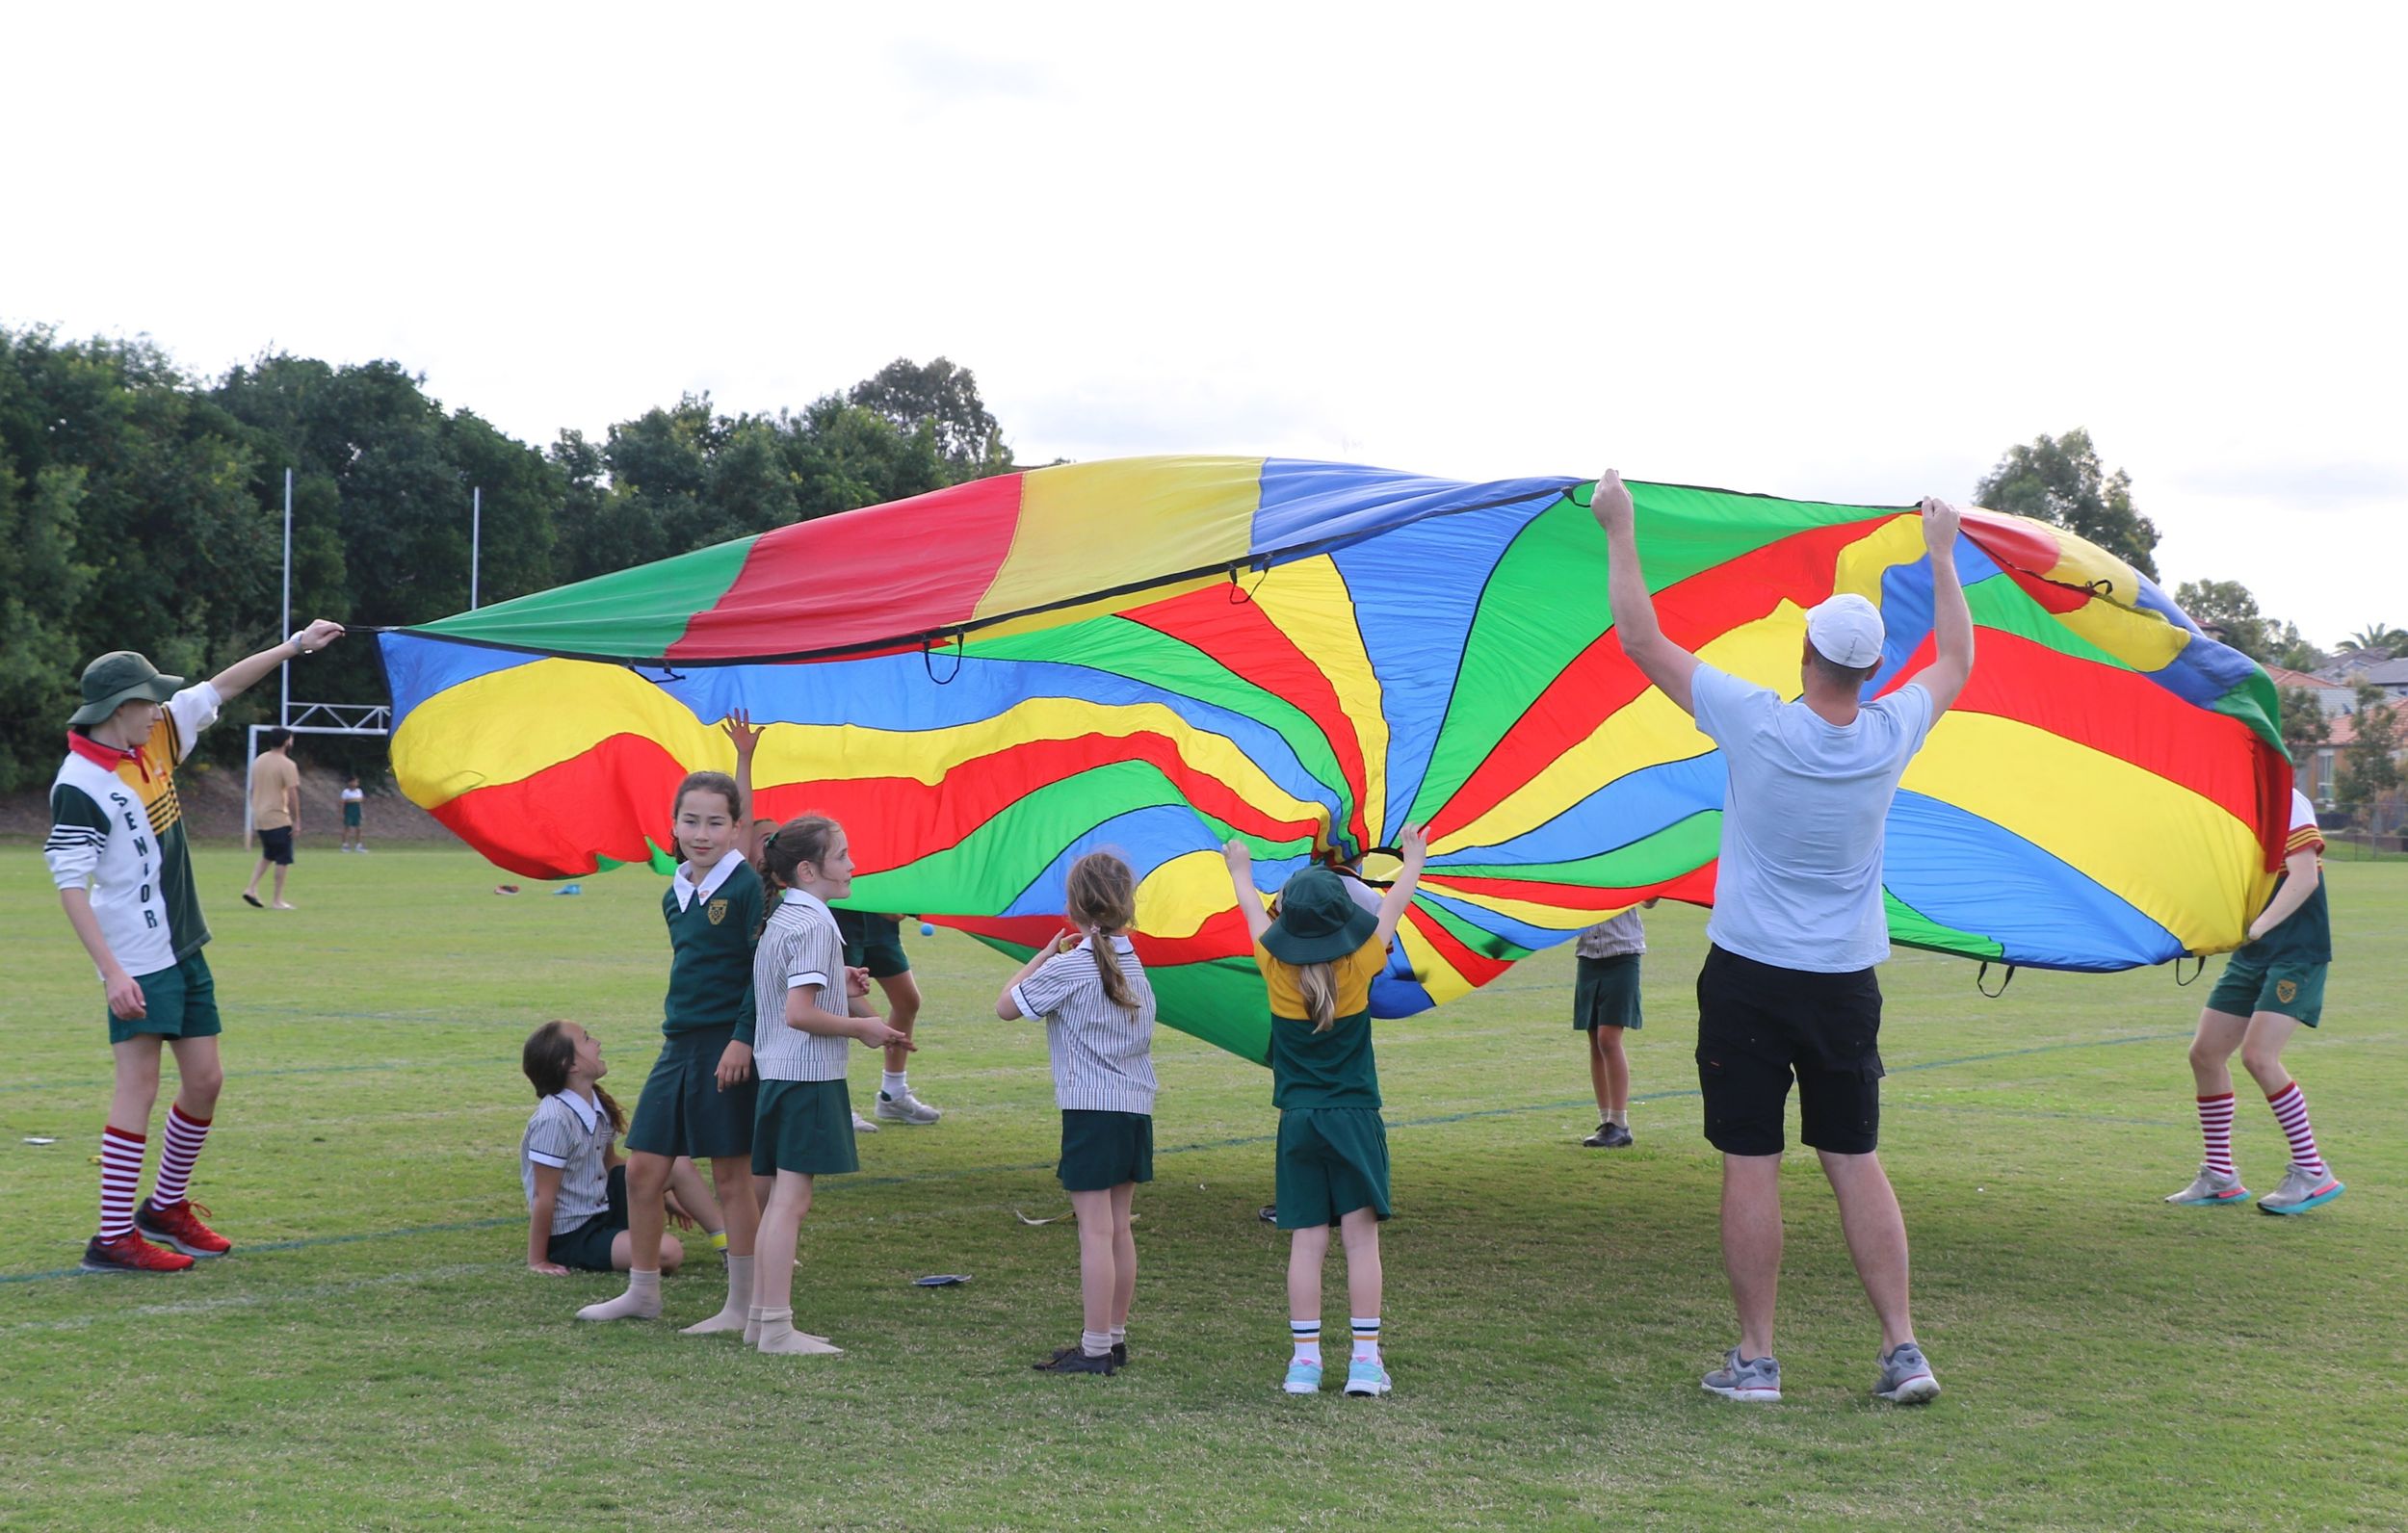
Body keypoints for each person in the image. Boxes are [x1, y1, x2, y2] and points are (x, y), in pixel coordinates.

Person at [1594, 468, 1970, 1407]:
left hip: (1750, 977)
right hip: (1844, 981)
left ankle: (1757, 1358)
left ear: (1805, 652)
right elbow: (1957, 661)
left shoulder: (1755, 721)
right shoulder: (1889, 732)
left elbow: (1640, 638)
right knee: (1853, 1158)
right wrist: (1942, 554)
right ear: (1869, 670)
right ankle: (1903, 1348)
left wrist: (1619, 525)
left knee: (1751, 1162)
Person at [46, 621, 346, 1272]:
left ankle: (165, 1209)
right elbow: (70, 884)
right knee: (139, 1086)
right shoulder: (81, 781)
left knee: (206, 1080)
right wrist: (112, 972)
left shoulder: (152, 736)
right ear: (119, 708)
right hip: (136, 955)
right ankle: (113, 1238)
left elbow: (222, 687)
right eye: (148, 699)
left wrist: (295, 646)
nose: (159, 708)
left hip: (183, 942)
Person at [1224, 824, 1428, 1398]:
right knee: (1361, 1243)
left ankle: (1305, 1363)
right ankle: (1364, 1362)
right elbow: (1394, 905)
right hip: (1355, 1118)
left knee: (1306, 1243)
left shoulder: (1272, 963)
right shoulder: (1362, 960)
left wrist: (1240, 869)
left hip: (1299, 1122)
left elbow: (1250, 910)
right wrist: (1412, 859)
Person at [578, 724, 766, 1331]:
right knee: (642, 1169)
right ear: (675, 825)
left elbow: (761, 971)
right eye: (691, 821)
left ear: (734, 829)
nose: (702, 833)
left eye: (715, 823)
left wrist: (742, 1039)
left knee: (732, 1177)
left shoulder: (745, 883)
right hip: (678, 1045)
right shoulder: (674, 892)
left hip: (727, 1045)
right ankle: (642, 1294)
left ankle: (743, 1305)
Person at [748, 816, 908, 1355]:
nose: (853, 865)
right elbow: (799, 1013)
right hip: (806, 1077)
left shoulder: (786, 915)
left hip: (780, 1074)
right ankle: (775, 1327)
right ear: (808, 870)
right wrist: (862, 1027)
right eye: (842, 856)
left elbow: (788, 989)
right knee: (790, 1203)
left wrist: (839, 982)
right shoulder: (816, 924)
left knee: (780, 1202)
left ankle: (761, 1320)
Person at [995, 850, 1158, 1376]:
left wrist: (1042, 957)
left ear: (1073, 907)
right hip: (1134, 1108)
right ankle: (1113, 1338)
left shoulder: (1071, 967)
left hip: (1092, 1111)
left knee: (1095, 1233)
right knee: (1118, 1229)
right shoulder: (1133, 963)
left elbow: (1006, 1006)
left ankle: (1094, 1348)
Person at [2166, 788, 2343, 1214]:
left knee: (2259, 1057)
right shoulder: (2227, 803)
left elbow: (2304, 877)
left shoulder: (2286, 799)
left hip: (2296, 953)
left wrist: (2260, 925)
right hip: (2253, 953)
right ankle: (2219, 1176)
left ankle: (2312, 1171)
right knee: (2206, 1054)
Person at [520, 1021, 691, 1276]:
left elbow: (610, 1164)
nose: (597, 1043)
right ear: (570, 1065)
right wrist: (538, 1260)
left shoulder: (594, 1102)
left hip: (604, 1206)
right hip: (574, 1234)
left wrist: (660, 1189)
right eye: (587, 1039)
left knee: (675, 1164)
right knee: (669, 1252)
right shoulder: (553, 1119)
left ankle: (726, 1242)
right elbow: (542, 1196)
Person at [836, 908, 941, 1127]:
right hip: (843, 920)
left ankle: (893, 1094)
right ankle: (837, 1105)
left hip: (880, 928)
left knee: (908, 1001)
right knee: (840, 1009)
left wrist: (902, 905)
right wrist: (879, 1026)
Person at [1574, 903, 1651, 1148]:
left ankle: (1619, 1123)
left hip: (1622, 955)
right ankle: (1606, 1122)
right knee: (1595, 1039)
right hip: (1588, 956)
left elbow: (1650, 900)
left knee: (1607, 1038)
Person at [241, 727, 301, 909]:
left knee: (268, 855)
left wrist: (256, 808)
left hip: (260, 816)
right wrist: (296, 820)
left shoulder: (259, 760)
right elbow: (293, 794)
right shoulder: (287, 764)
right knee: (283, 858)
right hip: (278, 817)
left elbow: (252, 790)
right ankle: (277, 900)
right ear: (287, 741)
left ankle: (251, 888)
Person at [339, 774, 367, 852]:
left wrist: (362, 813)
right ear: (350, 782)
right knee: (347, 828)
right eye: (354, 782)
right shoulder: (346, 792)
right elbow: (342, 802)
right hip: (348, 811)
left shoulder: (359, 791)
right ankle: (345, 845)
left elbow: (361, 801)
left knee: (359, 829)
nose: (356, 783)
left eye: (357, 782)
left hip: (357, 811)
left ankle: (358, 845)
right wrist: (341, 814)